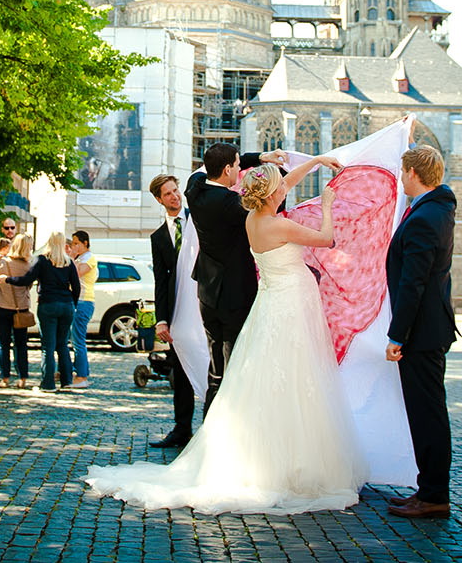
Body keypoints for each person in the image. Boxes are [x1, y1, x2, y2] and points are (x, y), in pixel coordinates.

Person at [85, 162, 365, 513]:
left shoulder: (253, 219)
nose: (284, 190)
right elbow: (326, 239)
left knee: (265, 380)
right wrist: (326, 204)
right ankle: (292, 462)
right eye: (281, 187)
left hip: (272, 306)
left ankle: (274, 455)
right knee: (297, 377)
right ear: (273, 194)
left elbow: (279, 186)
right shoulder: (279, 224)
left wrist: (313, 164)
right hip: (291, 308)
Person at [384, 144, 458, 520]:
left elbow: (413, 283)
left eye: (402, 171)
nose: (400, 177)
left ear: (414, 174)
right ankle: (428, 488)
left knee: (427, 413)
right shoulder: (433, 209)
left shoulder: (427, 217)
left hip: (421, 333)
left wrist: (397, 336)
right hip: (428, 329)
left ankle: (433, 495)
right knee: (426, 411)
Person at [185, 144, 291, 407]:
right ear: (227, 169)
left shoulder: (194, 188)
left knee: (216, 367)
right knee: (235, 367)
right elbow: (272, 208)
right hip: (235, 292)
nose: (240, 168)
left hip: (207, 293)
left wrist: (258, 158)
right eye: (237, 164)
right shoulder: (233, 204)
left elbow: (214, 167)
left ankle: (208, 427)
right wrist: (278, 171)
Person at [147, 173, 194, 449]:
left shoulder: (198, 220)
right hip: (177, 313)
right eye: (168, 193)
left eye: (176, 191)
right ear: (158, 199)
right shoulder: (158, 237)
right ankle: (182, 428)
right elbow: (161, 280)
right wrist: (161, 320)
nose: (175, 196)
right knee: (181, 369)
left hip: (205, 307)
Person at [6, 231, 81, 392]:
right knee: (63, 345)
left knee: (48, 346)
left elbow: (27, 280)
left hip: (48, 304)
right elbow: (77, 287)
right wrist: (72, 304)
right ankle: (67, 381)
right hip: (66, 305)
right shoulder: (68, 262)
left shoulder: (42, 260)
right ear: (63, 245)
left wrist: (7, 279)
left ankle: (48, 384)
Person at [0, 234, 32, 388]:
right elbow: (29, 286)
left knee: (4, 344)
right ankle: (22, 377)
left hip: (2, 306)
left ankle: (5, 378)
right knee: (21, 344)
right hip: (20, 308)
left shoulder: (3, 262)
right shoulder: (28, 265)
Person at [68, 230, 96, 388]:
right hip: (78, 300)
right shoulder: (81, 258)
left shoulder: (89, 258)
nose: (74, 246)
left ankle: (82, 376)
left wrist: (71, 258)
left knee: (78, 340)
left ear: (85, 243)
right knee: (75, 338)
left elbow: (76, 274)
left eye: (76, 243)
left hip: (84, 301)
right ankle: (77, 370)